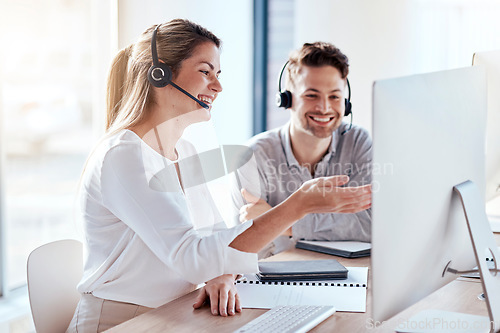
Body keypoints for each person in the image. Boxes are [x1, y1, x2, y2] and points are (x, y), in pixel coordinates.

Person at [66, 20, 372, 332]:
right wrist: (299, 205)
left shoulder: (182, 149)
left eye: (218, 74)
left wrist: (222, 273)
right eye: (205, 71)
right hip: (123, 321)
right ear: (159, 74)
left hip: (177, 313)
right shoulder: (124, 155)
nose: (218, 86)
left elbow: (213, 237)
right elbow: (191, 257)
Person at [233, 42, 372, 258]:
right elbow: (243, 244)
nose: (325, 108)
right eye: (311, 95)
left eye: (334, 96)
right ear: (286, 99)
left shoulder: (358, 142)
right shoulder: (252, 157)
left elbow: (372, 224)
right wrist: (338, 223)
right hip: (274, 281)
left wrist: (281, 221)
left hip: (348, 274)